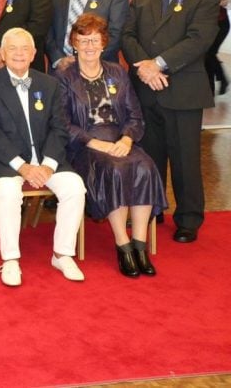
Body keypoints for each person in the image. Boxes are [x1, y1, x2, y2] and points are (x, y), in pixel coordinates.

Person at [122, 0, 219, 243]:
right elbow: (127, 34)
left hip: (183, 89)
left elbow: (199, 39)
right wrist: (144, 67)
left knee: (184, 158)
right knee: (149, 156)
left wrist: (158, 64)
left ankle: (189, 218)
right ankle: (151, 209)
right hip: (145, 88)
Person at [0, 28, 86, 287]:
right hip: (5, 161)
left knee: (75, 188)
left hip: (48, 159)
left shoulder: (49, 84)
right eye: (12, 48)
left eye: (25, 48)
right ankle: (11, 259)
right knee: (9, 192)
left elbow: (60, 128)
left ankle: (62, 253)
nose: (19, 53)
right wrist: (23, 167)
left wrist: (47, 165)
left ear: (34, 53)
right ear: (2, 54)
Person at [57, 14, 166, 278]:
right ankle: (122, 244)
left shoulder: (117, 72)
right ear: (74, 44)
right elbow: (63, 123)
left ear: (104, 43)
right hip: (85, 145)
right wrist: (96, 144)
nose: (89, 46)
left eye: (94, 40)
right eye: (83, 41)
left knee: (146, 167)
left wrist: (127, 139)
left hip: (120, 139)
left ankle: (140, 245)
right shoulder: (64, 77)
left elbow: (135, 116)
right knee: (115, 169)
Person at [206, 0, 229, 95]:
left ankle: (212, 87)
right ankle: (221, 79)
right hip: (207, 26)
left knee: (209, 54)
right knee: (207, 54)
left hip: (221, 25)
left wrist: (225, 2)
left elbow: (228, 3)